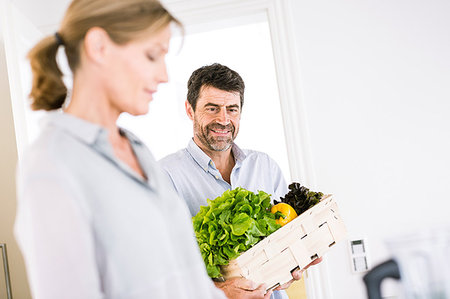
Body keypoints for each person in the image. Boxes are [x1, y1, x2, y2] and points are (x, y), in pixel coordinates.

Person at [14, 2, 246, 299]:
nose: (163, 75)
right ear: (99, 47)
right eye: (152, 55)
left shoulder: (136, 149)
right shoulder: (52, 162)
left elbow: (181, 280)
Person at [158, 63, 322, 299]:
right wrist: (219, 291)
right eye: (212, 109)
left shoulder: (264, 166)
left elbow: (285, 236)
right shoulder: (165, 176)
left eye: (232, 109)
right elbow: (160, 269)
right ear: (189, 110)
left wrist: (294, 262)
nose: (223, 120)